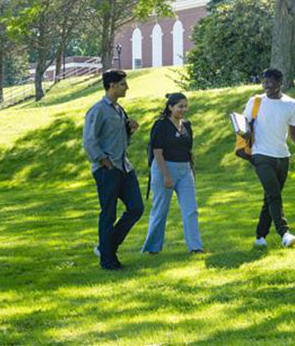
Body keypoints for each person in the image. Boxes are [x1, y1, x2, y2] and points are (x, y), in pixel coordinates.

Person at [82, 69, 144, 271]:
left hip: (124, 167)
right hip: (107, 168)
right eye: (123, 84)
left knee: (136, 208)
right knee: (108, 213)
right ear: (112, 86)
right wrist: (103, 161)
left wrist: (129, 130)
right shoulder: (98, 110)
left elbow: (119, 139)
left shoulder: (119, 109)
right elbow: (89, 140)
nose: (127, 87)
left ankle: (105, 247)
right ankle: (108, 261)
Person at [242, 68, 295, 249]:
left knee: (270, 197)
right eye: (264, 82)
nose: (266, 86)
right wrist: (244, 131)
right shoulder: (255, 102)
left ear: (280, 82)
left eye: (270, 82)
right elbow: (244, 123)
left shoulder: (291, 104)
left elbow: (294, 133)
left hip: (282, 156)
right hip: (260, 154)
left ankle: (260, 237)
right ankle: (284, 233)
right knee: (274, 194)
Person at [142, 93, 204, 254]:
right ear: (170, 107)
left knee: (191, 209)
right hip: (164, 168)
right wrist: (167, 176)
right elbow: (157, 152)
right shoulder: (161, 125)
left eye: (185, 106)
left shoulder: (187, 125)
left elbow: (189, 151)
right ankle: (153, 248)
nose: (184, 109)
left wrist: (192, 172)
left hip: (185, 170)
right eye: (180, 106)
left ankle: (196, 247)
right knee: (161, 210)